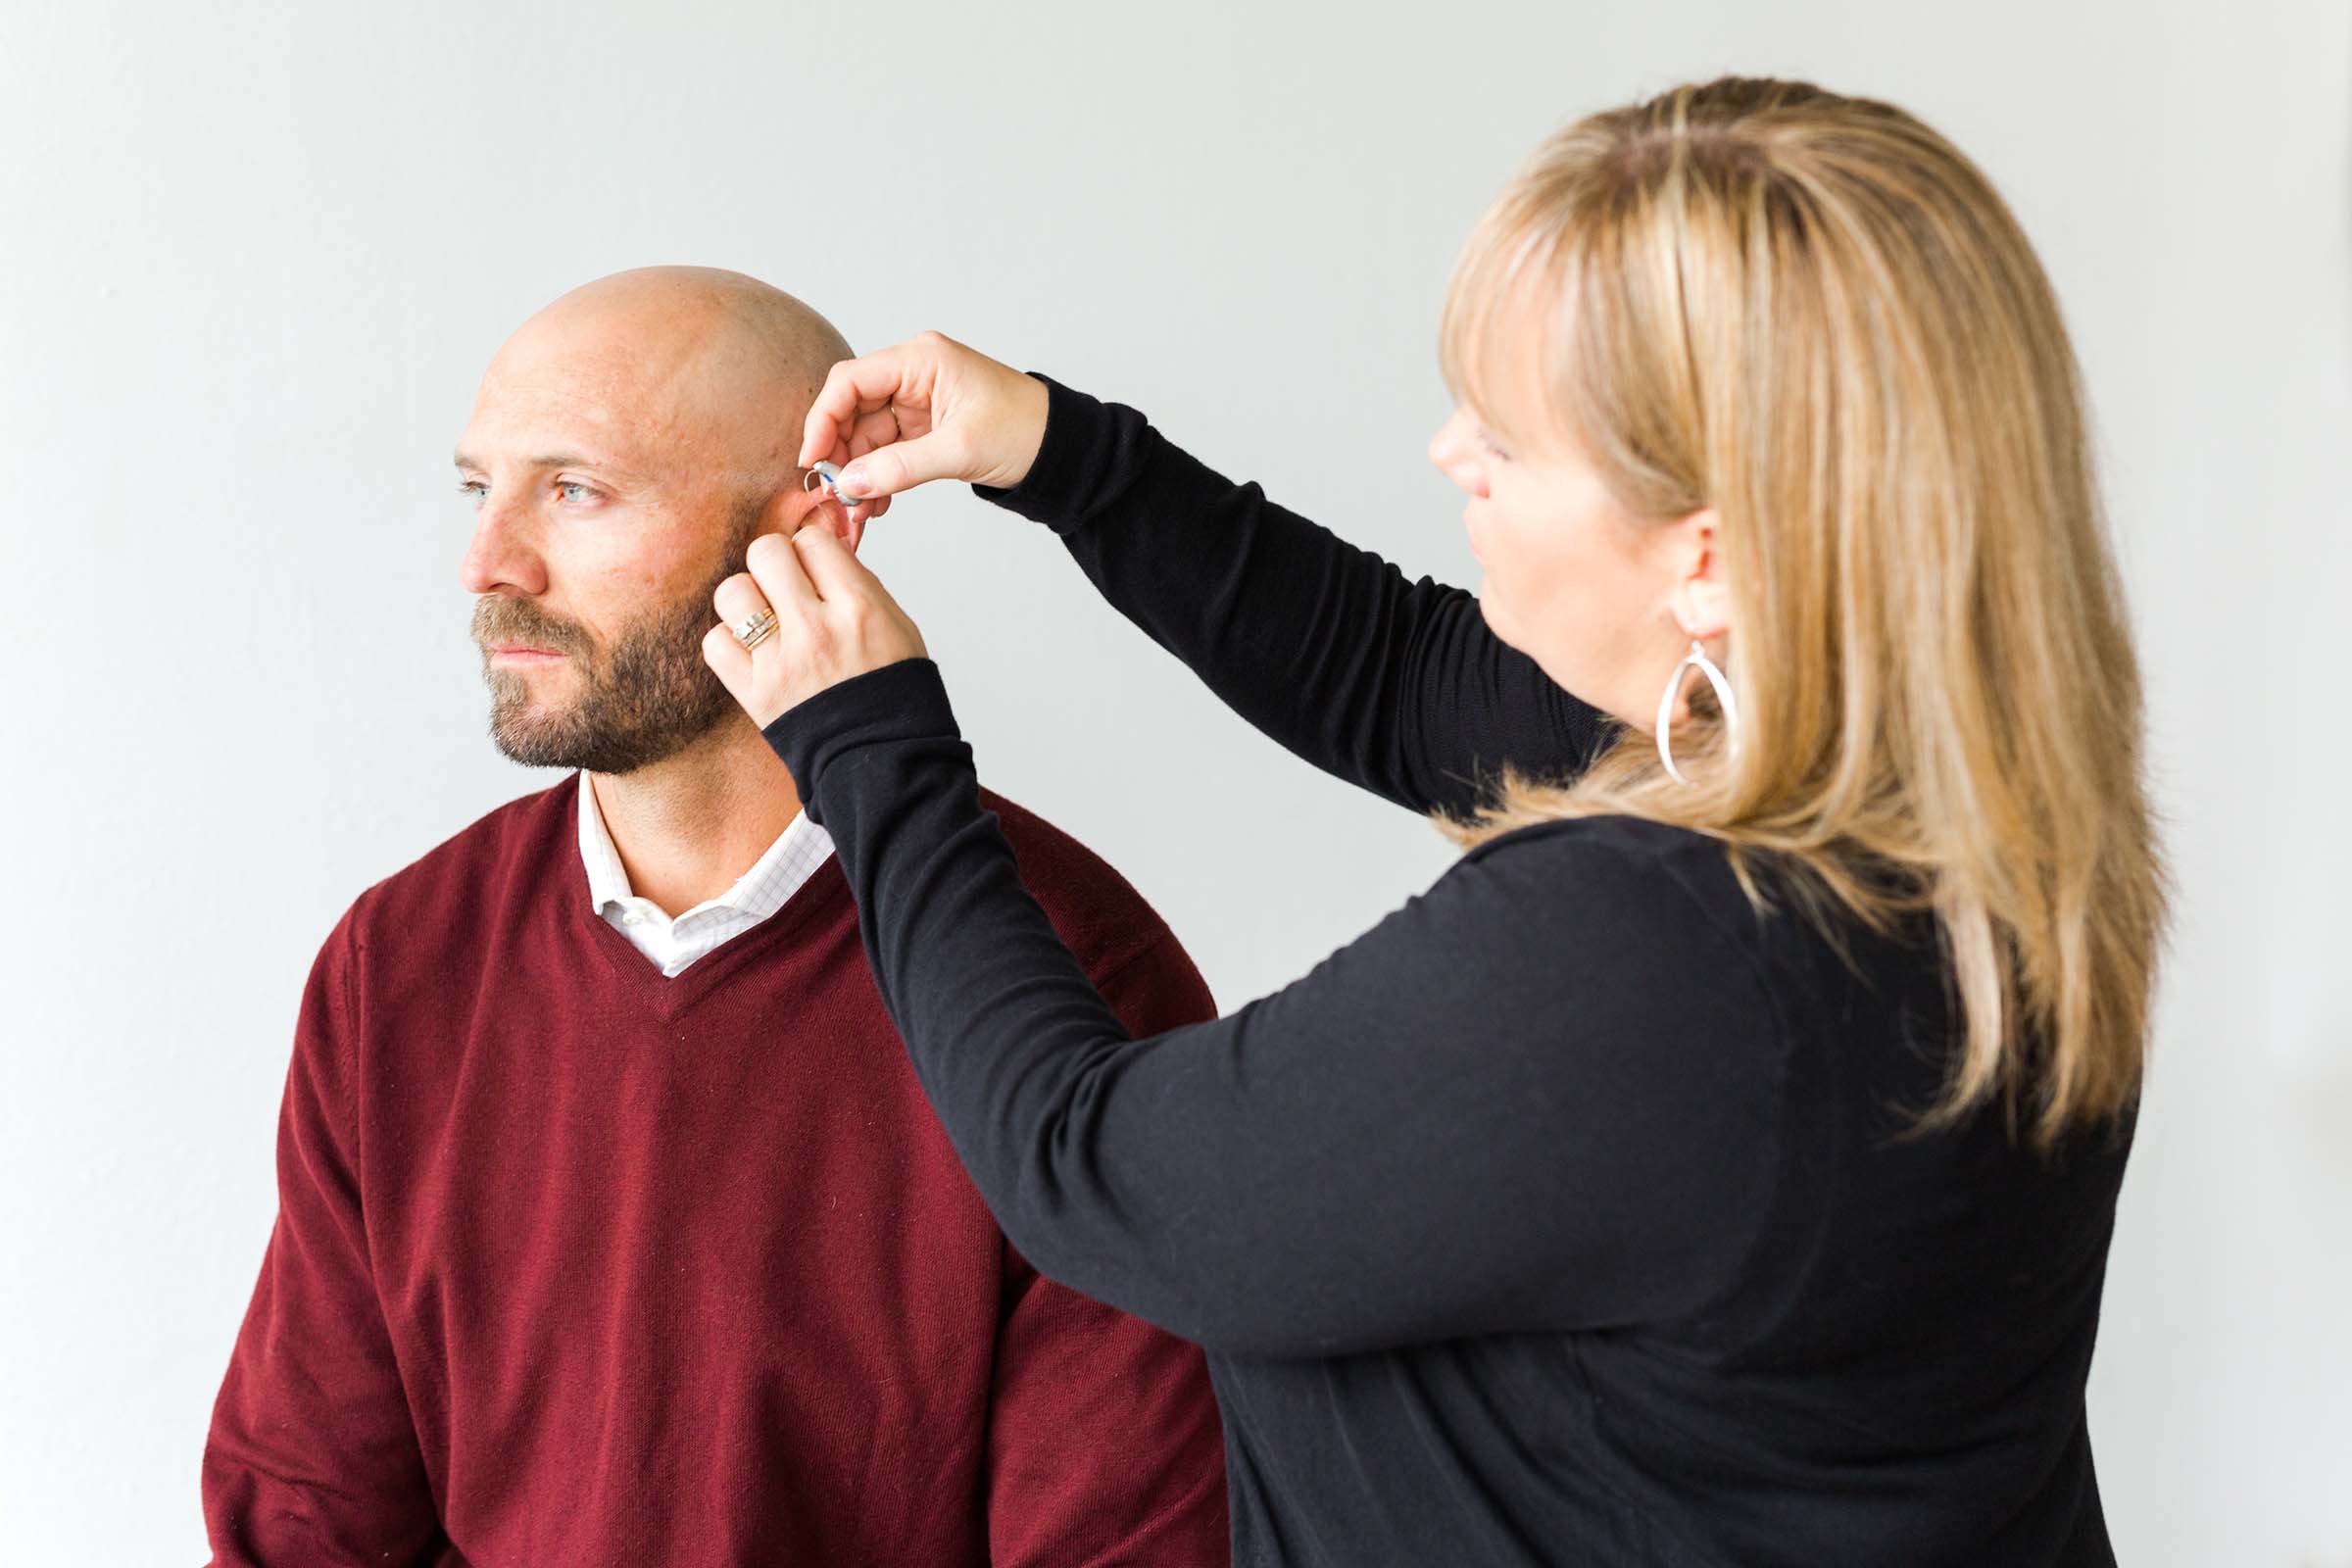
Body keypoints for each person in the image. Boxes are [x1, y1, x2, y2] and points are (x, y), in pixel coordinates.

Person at [702, 78, 2168, 1566]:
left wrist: (866, 741)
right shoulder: (1956, 819)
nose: (1451, 454)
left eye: (1513, 445)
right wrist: (1060, 453)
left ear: (1707, 556)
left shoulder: (1660, 954)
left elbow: (1086, 1163)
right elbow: (1397, 676)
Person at [201, 267, 1230, 1566]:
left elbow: (1128, 1541)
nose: (488, 564)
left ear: (813, 521)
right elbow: (305, 1523)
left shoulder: (1077, 975)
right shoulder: (396, 964)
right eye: (481, 488)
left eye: (575, 490)